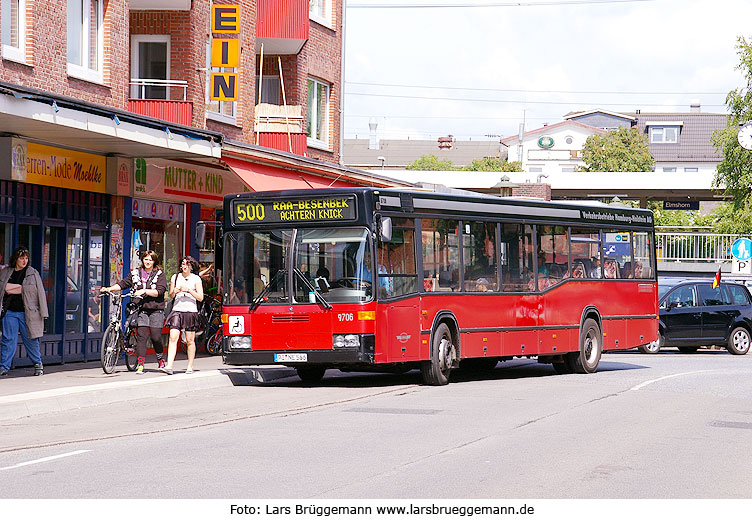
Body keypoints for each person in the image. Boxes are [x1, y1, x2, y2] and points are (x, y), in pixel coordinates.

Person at [100, 250, 167, 374]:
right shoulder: (136, 273)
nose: (148, 262)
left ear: (154, 261)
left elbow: (159, 291)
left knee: (155, 336)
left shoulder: (159, 274)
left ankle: (160, 359)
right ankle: (140, 364)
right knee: (141, 336)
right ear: (142, 260)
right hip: (141, 309)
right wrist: (109, 289)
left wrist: (144, 291)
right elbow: (123, 284)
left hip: (156, 309)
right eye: (146, 259)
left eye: (150, 260)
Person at [0, 247, 48, 376]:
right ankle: (4, 367)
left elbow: (39, 293)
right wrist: (18, 288)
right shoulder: (6, 272)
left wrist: (44, 313)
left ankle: (38, 364)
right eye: (21, 258)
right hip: (9, 311)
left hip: (28, 312)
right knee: (8, 339)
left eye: (26, 258)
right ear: (16, 259)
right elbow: (4, 288)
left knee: (31, 339)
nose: (24, 261)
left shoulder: (32, 273)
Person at [163, 256, 203, 375]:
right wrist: (174, 291)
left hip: (190, 311)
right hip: (177, 310)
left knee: (190, 340)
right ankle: (169, 365)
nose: (185, 266)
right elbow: (170, 295)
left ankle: (190, 366)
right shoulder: (175, 277)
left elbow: (200, 297)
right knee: (173, 337)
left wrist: (189, 290)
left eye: (188, 264)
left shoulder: (196, 279)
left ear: (191, 266)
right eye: (183, 264)